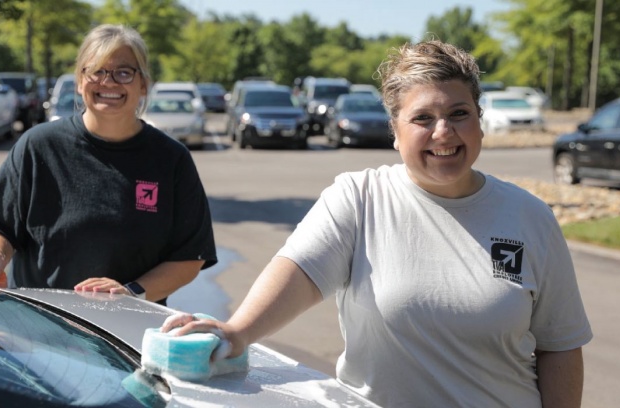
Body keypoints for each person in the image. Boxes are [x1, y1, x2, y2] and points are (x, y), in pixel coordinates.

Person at [161, 40, 592, 407]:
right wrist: (236, 331)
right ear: (395, 130)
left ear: (479, 119)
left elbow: (560, 345)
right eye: (423, 118)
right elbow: (300, 272)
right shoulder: (360, 197)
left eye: (459, 113)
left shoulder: (530, 216)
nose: (443, 132)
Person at [0, 24, 216, 305]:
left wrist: (130, 292)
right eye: (97, 71)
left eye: (123, 72)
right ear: (79, 80)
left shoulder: (171, 159)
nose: (108, 82)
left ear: (143, 84)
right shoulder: (38, 145)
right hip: (38, 330)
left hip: (125, 336)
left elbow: (189, 257)